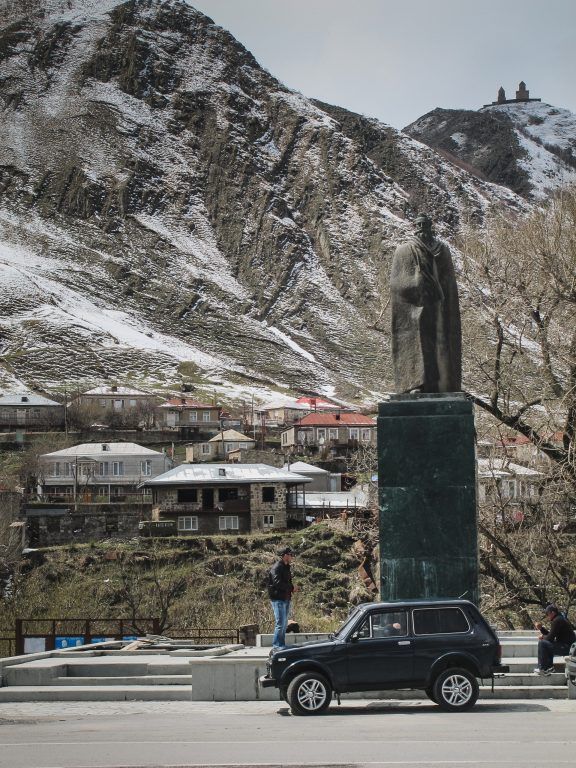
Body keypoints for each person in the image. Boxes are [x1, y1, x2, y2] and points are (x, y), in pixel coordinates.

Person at [390, 214, 461, 393]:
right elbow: (397, 284)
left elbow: (449, 282)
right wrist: (417, 284)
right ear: (415, 226)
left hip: (439, 309)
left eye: (425, 225)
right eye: (419, 224)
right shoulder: (404, 251)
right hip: (414, 310)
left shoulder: (442, 250)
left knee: (441, 345)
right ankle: (415, 383)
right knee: (417, 344)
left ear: (431, 226)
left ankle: (443, 384)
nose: (422, 228)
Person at [268, 546, 298, 651]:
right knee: (280, 623)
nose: (292, 556)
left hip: (286, 598)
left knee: (284, 623)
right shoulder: (276, 567)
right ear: (285, 556)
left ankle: (282, 645)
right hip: (278, 598)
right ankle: (277, 646)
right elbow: (277, 583)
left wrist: (292, 588)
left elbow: (287, 582)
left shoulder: (287, 567)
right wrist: (291, 587)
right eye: (290, 555)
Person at [533, 603, 575, 675]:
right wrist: (541, 628)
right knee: (547, 644)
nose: (547, 616)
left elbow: (549, 638)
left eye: (547, 614)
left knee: (542, 643)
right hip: (567, 647)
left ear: (552, 612)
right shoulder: (559, 618)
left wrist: (543, 637)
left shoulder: (557, 621)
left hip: (567, 648)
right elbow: (551, 635)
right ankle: (550, 668)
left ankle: (542, 668)